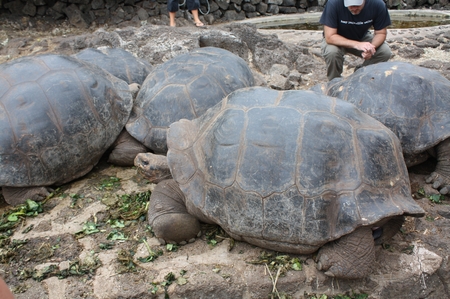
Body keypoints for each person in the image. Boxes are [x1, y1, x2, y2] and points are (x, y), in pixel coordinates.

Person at [319, 0, 392, 81]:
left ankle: (362, 73)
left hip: (361, 36)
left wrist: (371, 47)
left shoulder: (377, 4)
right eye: (350, 5)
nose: (353, 8)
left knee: (384, 52)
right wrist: (357, 45)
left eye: (357, 5)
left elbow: (381, 33)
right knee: (332, 52)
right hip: (337, 39)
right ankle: (334, 81)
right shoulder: (333, 3)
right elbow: (329, 37)